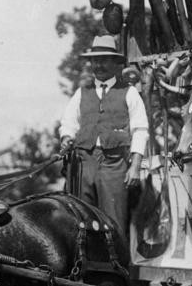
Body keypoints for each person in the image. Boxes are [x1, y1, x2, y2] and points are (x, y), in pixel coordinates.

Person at [59, 35, 149, 237]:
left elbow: (140, 130)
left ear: (115, 63)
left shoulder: (129, 92)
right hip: (83, 163)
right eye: (95, 60)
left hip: (114, 163)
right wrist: (66, 138)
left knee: (114, 221)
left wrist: (135, 166)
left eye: (104, 60)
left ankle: (117, 267)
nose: (99, 65)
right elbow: (68, 123)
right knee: (81, 220)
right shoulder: (82, 92)